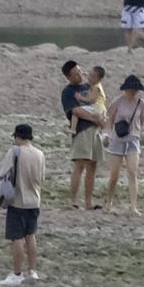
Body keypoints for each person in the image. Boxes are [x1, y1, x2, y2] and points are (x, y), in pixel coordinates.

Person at [0, 122, 45, 286]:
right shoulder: (39, 154)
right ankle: (32, 271)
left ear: (18, 137)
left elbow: (3, 174)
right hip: (34, 201)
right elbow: (41, 179)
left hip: (17, 201)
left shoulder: (14, 152)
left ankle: (17, 273)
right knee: (30, 236)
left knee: (17, 238)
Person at [59, 61, 104, 210]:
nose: (79, 74)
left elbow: (98, 103)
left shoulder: (89, 87)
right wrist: (95, 119)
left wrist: (100, 120)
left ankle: (88, 203)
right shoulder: (68, 92)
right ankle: (73, 202)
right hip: (82, 131)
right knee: (80, 165)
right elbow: (74, 111)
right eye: (75, 73)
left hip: (95, 131)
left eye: (80, 71)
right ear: (68, 76)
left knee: (93, 166)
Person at [102, 74, 144, 213]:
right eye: (131, 89)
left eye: (135, 89)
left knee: (133, 172)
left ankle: (133, 206)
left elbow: (142, 120)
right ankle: (108, 202)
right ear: (125, 89)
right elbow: (109, 118)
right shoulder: (118, 101)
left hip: (133, 140)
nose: (133, 92)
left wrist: (137, 133)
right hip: (117, 140)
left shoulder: (141, 103)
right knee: (114, 175)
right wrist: (107, 134)